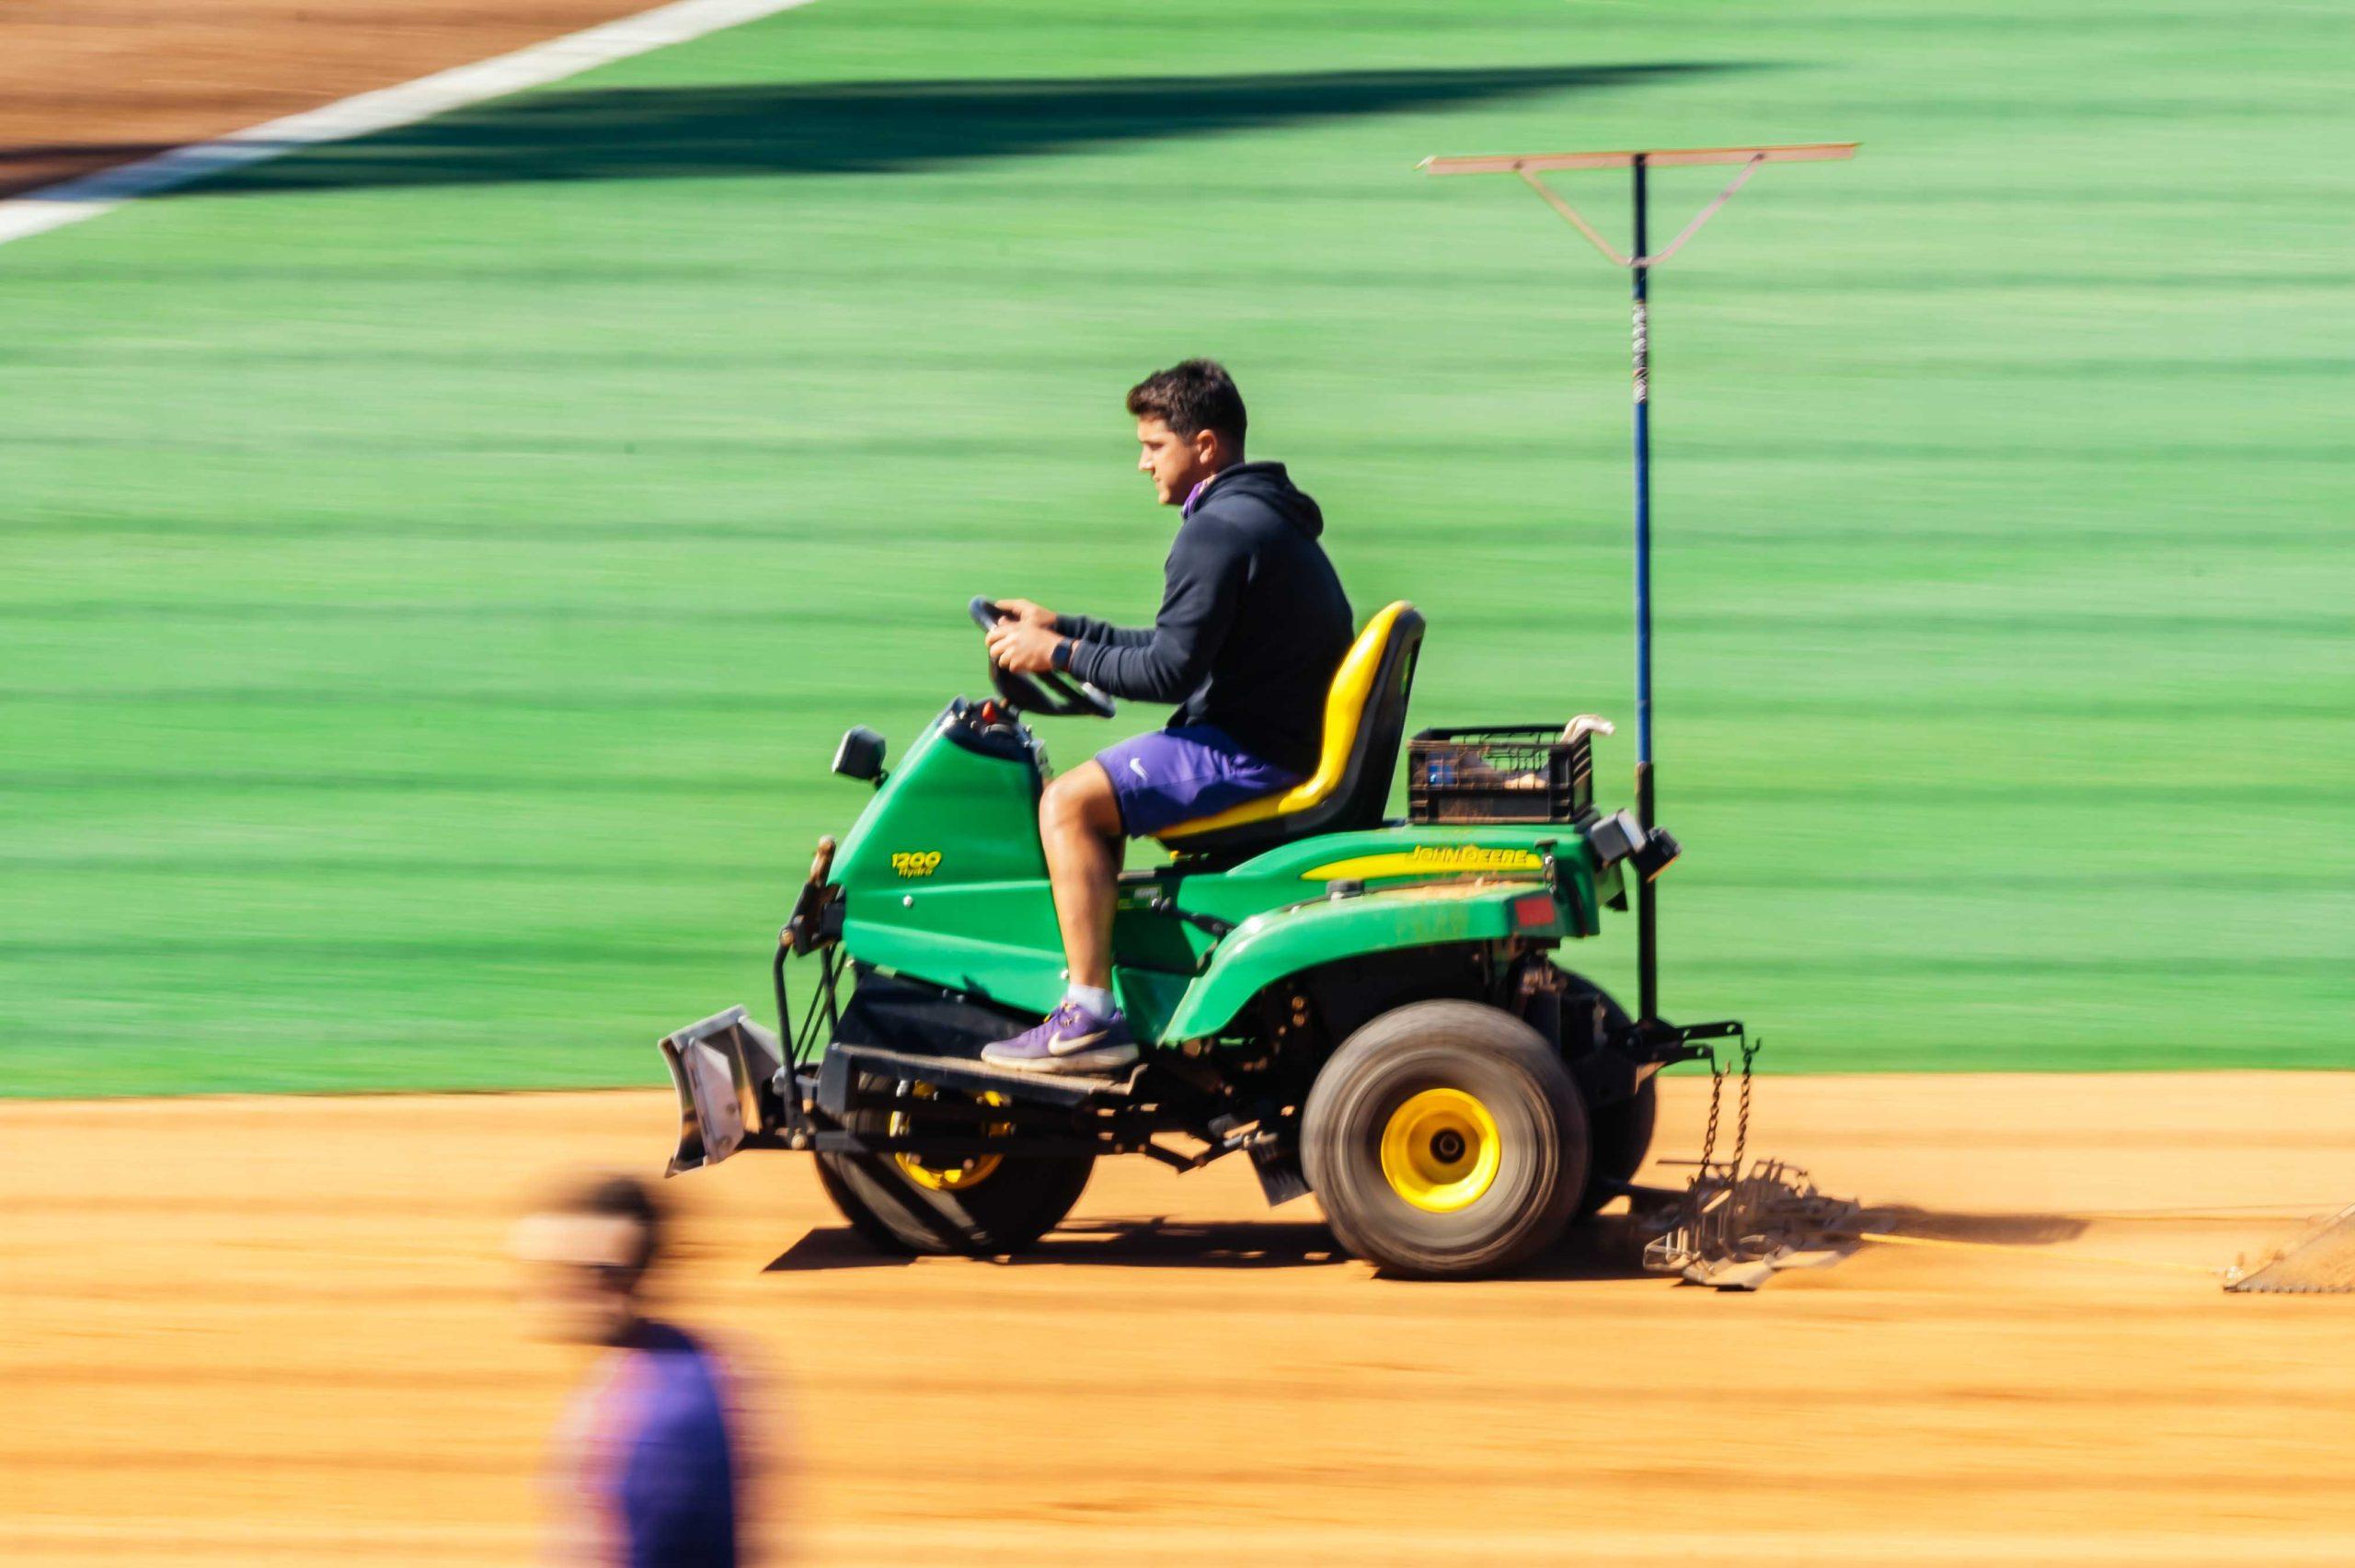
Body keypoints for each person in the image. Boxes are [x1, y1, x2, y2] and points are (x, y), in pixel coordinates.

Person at [978, 359, 1354, 1074]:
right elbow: (1178, 644)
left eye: (1154, 446)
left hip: (1250, 749)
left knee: (1068, 804)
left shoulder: (1216, 532)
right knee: (1098, 792)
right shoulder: (1261, 518)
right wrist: (1065, 628)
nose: (1142, 462)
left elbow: (1167, 672)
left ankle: (1087, 1015)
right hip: (1272, 735)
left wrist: (1054, 653)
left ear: (1204, 446)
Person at [514, 1173, 764, 1567]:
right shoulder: (703, 1362)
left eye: (563, 1266)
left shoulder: (638, 1424)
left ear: (604, 1275)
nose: (547, 1287)